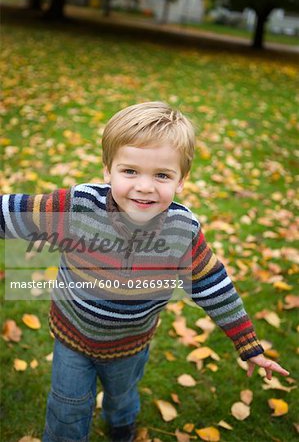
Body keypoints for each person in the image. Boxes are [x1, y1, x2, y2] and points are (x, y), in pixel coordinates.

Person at [0, 102, 289, 442]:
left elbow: (214, 286)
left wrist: (248, 344)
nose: (145, 187)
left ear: (181, 180)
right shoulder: (78, 207)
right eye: (131, 171)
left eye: (162, 175)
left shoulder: (182, 231)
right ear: (108, 170)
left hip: (131, 344)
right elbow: (15, 213)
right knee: (67, 407)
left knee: (122, 397)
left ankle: (121, 426)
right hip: (72, 337)